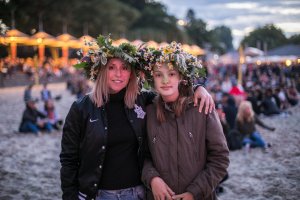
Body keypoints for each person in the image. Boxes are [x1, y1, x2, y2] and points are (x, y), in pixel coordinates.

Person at [60, 35, 215, 200]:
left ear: (132, 73)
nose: (118, 74)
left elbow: (171, 92)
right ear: (101, 70)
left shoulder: (143, 100)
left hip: (138, 193)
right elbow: (68, 159)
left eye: (125, 68)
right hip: (97, 194)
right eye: (111, 67)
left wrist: (198, 88)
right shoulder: (81, 108)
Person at [139, 42, 229, 200]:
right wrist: (152, 178)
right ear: (152, 78)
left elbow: (220, 158)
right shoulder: (149, 112)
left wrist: (194, 193)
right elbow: (143, 156)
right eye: (159, 74)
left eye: (172, 74)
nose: (165, 80)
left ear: (181, 76)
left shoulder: (202, 107)